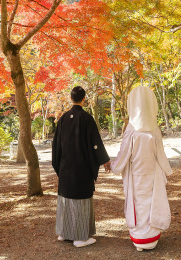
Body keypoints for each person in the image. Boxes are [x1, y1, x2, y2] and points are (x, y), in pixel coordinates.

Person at [111, 85, 173, 251]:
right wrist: (168, 170)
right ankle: (151, 238)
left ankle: (140, 239)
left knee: (137, 205)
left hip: (135, 175)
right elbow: (161, 154)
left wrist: (114, 166)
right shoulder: (154, 129)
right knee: (152, 204)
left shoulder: (131, 129)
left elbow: (123, 154)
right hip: (152, 173)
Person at [52, 85, 111, 247]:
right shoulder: (86, 118)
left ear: (71, 98)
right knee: (80, 200)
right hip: (82, 169)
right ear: (84, 99)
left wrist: (59, 166)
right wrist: (104, 160)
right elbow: (95, 143)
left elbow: (56, 146)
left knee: (66, 199)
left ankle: (63, 233)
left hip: (65, 168)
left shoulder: (63, 119)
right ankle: (80, 238)